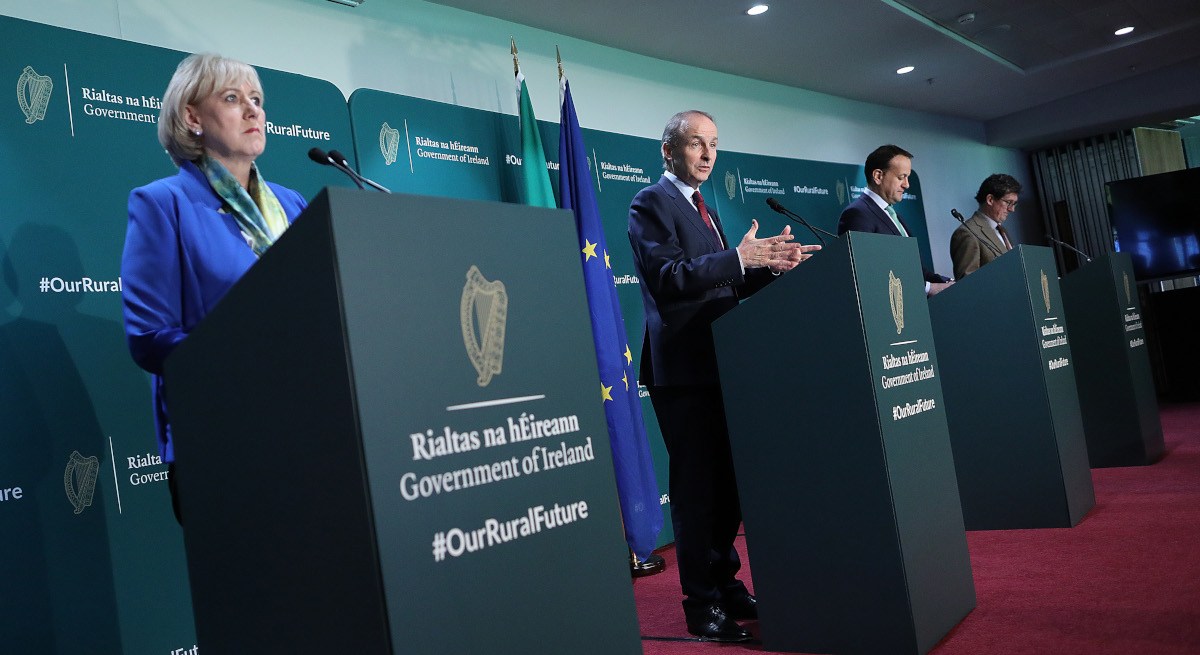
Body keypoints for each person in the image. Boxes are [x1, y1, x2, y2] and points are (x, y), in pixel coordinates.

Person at [628, 110, 819, 642]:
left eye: (714, 144)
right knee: (697, 493)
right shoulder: (652, 203)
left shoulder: (703, 210)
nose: (709, 154)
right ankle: (702, 604)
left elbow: (721, 288)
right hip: (685, 372)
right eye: (696, 144)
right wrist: (739, 259)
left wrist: (767, 267)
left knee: (729, 488)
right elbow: (669, 280)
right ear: (669, 150)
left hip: (723, 363)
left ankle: (728, 584)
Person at [121, 53, 308, 523]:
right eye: (231, 98)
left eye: (257, 100)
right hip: (222, 440)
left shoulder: (293, 205)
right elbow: (148, 337)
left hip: (307, 425)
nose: (252, 111)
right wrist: (246, 358)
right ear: (192, 117)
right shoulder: (163, 204)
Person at [838, 144, 953, 295]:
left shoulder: (892, 215)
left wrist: (947, 282)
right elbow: (866, 271)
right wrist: (928, 288)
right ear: (878, 176)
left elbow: (914, 268)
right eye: (901, 177)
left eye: (908, 177)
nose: (907, 185)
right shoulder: (857, 213)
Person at [950, 173, 1021, 279]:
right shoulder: (967, 233)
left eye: (1014, 204)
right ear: (990, 200)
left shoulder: (1002, 230)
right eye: (1008, 202)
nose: (1012, 209)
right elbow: (968, 283)